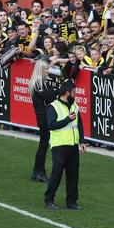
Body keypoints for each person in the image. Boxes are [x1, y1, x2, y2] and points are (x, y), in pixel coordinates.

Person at [44, 79, 87, 210]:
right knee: (56, 174)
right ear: (67, 93)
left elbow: (79, 124)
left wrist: (82, 141)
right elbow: (51, 126)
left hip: (73, 145)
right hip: (60, 146)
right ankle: (49, 199)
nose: (76, 94)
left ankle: (72, 201)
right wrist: (67, 120)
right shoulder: (53, 106)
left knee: (73, 174)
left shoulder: (75, 106)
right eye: (74, 92)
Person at [28, 58, 58, 182]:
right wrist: (59, 91)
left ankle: (37, 171)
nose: (48, 71)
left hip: (42, 115)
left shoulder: (39, 82)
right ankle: (39, 171)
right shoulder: (38, 83)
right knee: (43, 144)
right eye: (46, 69)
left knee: (43, 144)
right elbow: (48, 96)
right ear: (40, 70)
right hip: (43, 116)